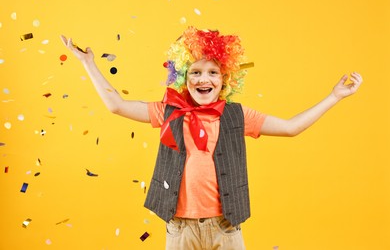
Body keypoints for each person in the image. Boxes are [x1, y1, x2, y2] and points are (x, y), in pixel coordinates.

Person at [60, 26, 362, 250]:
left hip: (225, 228)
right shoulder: (169, 111)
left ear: (225, 79)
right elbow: (117, 105)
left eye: (213, 73)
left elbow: (291, 127)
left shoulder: (237, 115)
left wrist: (333, 97)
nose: (204, 79)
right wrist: (88, 63)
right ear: (182, 77)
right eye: (195, 72)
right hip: (180, 230)